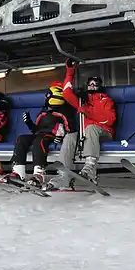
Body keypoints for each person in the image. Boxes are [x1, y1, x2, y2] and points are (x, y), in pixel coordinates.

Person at [45, 59, 116, 190]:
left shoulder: (106, 100)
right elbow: (66, 93)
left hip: (104, 132)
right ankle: (63, 176)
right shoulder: (82, 100)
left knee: (91, 128)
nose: (93, 86)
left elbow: (109, 120)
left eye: (96, 84)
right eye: (90, 84)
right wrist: (70, 72)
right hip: (86, 135)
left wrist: (88, 112)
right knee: (70, 135)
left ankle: (90, 168)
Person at [0, 82, 75, 187]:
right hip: (40, 134)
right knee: (22, 139)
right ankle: (18, 172)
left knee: (39, 140)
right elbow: (36, 130)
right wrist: (29, 122)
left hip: (49, 136)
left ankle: (39, 174)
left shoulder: (63, 112)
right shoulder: (43, 112)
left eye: (48, 95)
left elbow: (70, 128)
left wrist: (62, 136)